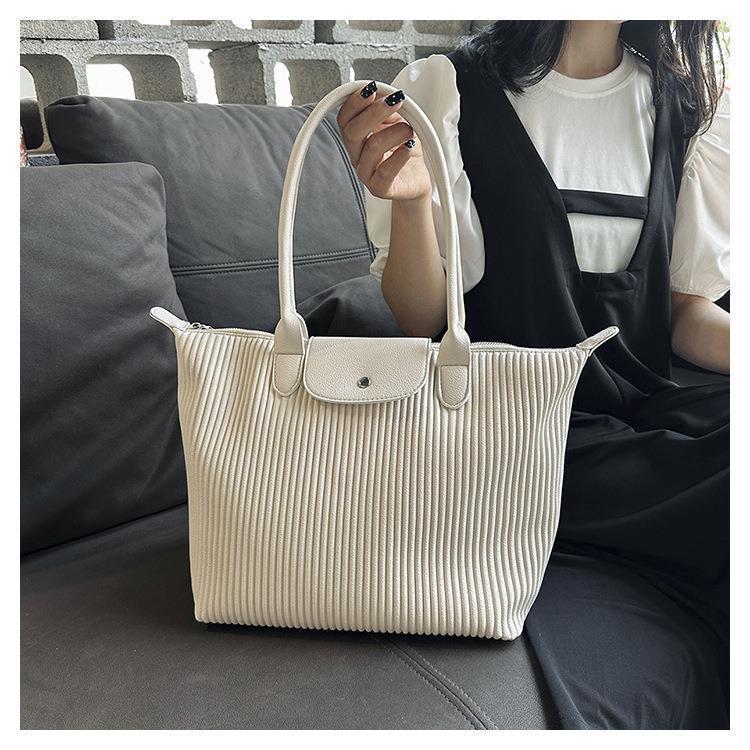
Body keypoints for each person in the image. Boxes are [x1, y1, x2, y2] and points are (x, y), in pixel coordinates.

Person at [336, 21, 729, 729]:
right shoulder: (448, 90)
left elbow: (682, 310)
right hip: (512, 437)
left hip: (637, 414)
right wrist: (412, 199)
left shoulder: (683, 105)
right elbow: (425, 319)